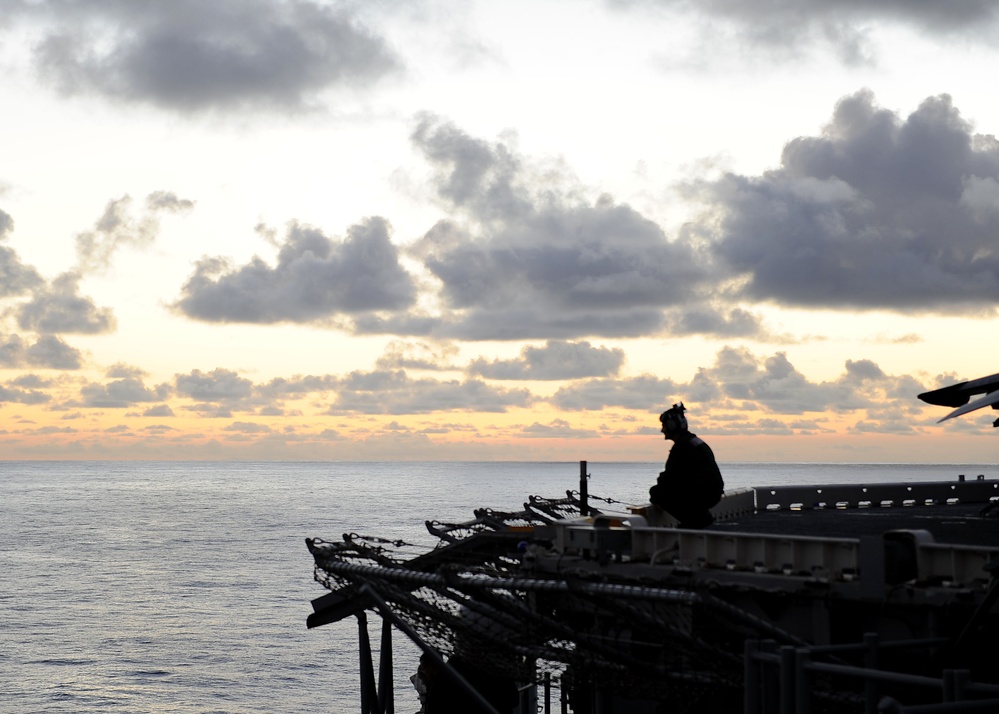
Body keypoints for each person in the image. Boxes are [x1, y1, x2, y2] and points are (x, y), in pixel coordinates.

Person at [649, 402, 724, 528]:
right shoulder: (693, 442)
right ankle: (700, 518)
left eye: (664, 426)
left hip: (704, 493)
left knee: (658, 494)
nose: (662, 430)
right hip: (712, 491)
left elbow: (669, 477)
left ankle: (694, 522)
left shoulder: (682, 447)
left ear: (672, 426)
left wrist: (655, 492)